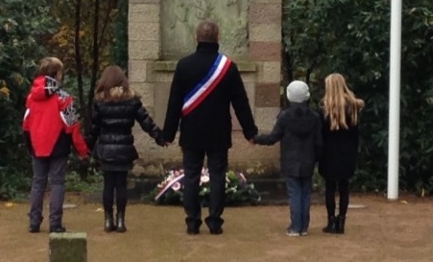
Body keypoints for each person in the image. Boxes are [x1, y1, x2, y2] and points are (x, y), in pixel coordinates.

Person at [162, 19, 258, 235]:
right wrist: (250, 132)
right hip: (218, 131)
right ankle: (215, 221)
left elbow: (174, 103)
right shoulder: (228, 67)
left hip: (192, 131)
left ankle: (192, 222)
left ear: (197, 38)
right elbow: (240, 102)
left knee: (191, 175)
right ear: (218, 38)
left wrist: (168, 134)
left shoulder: (184, 65)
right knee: (217, 176)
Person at [88, 65, 166, 232]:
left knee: (108, 185)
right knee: (121, 185)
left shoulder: (99, 101)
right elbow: (146, 121)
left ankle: (108, 220)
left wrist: (86, 147)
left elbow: (93, 128)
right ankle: (121, 220)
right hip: (124, 148)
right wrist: (160, 137)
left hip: (106, 149)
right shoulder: (132, 100)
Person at [22, 57, 89, 233]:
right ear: (58, 74)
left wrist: (29, 145)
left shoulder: (31, 97)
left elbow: (26, 124)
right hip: (59, 145)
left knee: (38, 183)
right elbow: (73, 126)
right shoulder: (64, 98)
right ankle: (55, 223)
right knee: (57, 183)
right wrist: (82, 150)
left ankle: (34, 222)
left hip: (37, 145)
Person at [253, 80, 322, 236]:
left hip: (290, 160)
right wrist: (317, 159)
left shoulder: (285, 117)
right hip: (308, 160)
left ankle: (295, 227)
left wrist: (256, 138)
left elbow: (273, 138)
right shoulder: (315, 117)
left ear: (289, 96)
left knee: (294, 193)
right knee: (305, 193)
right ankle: (303, 226)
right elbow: (319, 142)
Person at [318, 73, 364, 234]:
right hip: (348, 152)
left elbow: (321, 134)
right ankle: (341, 221)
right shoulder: (354, 107)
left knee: (330, 187)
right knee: (344, 187)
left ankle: (331, 221)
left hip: (329, 153)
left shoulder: (325, 108)